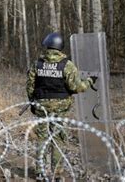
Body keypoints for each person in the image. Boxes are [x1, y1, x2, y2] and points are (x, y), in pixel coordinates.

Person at [26, 32, 97, 180]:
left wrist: (32, 102)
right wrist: (90, 81)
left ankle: (40, 172)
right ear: (60, 47)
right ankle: (57, 175)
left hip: (42, 107)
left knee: (42, 138)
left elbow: (30, 86)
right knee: (57, 139)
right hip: (60, 108)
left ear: (47, 46)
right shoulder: (67, 65)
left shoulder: (37, 64)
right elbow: (77, 88)